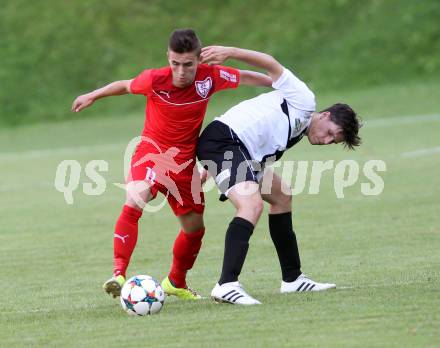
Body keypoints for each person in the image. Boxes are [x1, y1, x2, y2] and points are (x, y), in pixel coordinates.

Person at [71, 29, 272, 300]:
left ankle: (176, 282)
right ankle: (119, 273)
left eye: (188, 64)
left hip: (184, 167)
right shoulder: (154, 79)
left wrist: (279, 82)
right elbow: (124, 85)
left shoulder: (210, 77)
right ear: (168, 58)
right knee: (136, 197)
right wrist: (93, 95)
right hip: (150, 155)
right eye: (175, 63)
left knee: (194, 228)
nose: (180, 71)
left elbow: (247, 77)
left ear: (199, 60)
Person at [197, 45, 361, 304]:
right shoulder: (305, 101)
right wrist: (229, 52)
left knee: (282, 195)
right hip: (224, 141)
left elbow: (255, 129)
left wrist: (208, 167)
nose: (327, 140)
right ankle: (226, 284)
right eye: (330, 132)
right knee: (251, 205)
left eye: (333, 141)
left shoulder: (298, 130)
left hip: (239, 150)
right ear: (325, 115)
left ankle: (293, 279)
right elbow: (270, 63)